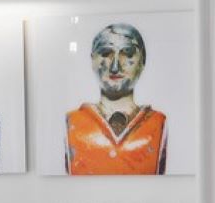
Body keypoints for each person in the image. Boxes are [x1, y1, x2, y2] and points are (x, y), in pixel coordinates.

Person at [62, 21, 166, 174]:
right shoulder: (73, 122)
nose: (115, 66)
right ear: (92, 60)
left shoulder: (158, 123)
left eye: (128, 54)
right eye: (105, 53)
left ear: (143, 61)